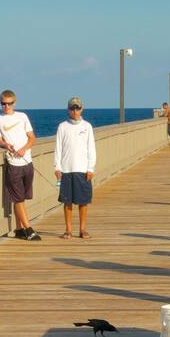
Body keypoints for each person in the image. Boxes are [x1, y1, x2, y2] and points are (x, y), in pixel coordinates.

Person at [0, 89, 41, 240]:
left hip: (27, 162)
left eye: (9, 104)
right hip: (13, 163)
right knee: (18, 198)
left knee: (22, 197)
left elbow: (32, 138)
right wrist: (6, 145)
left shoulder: (22, 117)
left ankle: (19, 228)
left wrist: (23, 149)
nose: (6, 107)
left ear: (14, 103)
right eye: (3, 104)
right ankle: (29, 229)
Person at [54, 97, 97, 239]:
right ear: (68, 110)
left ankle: (83, 229)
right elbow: (58, 148)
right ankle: (68, 230)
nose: (75, 111)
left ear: (81, 109)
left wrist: (90, 168)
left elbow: (91, 148)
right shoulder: (62, 126)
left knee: (83, 201)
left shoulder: (87, 126)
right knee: (67, 202)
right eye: (72, 108)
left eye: (77, 108)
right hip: (66, 169)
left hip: (82, 169)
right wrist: (57, 167)